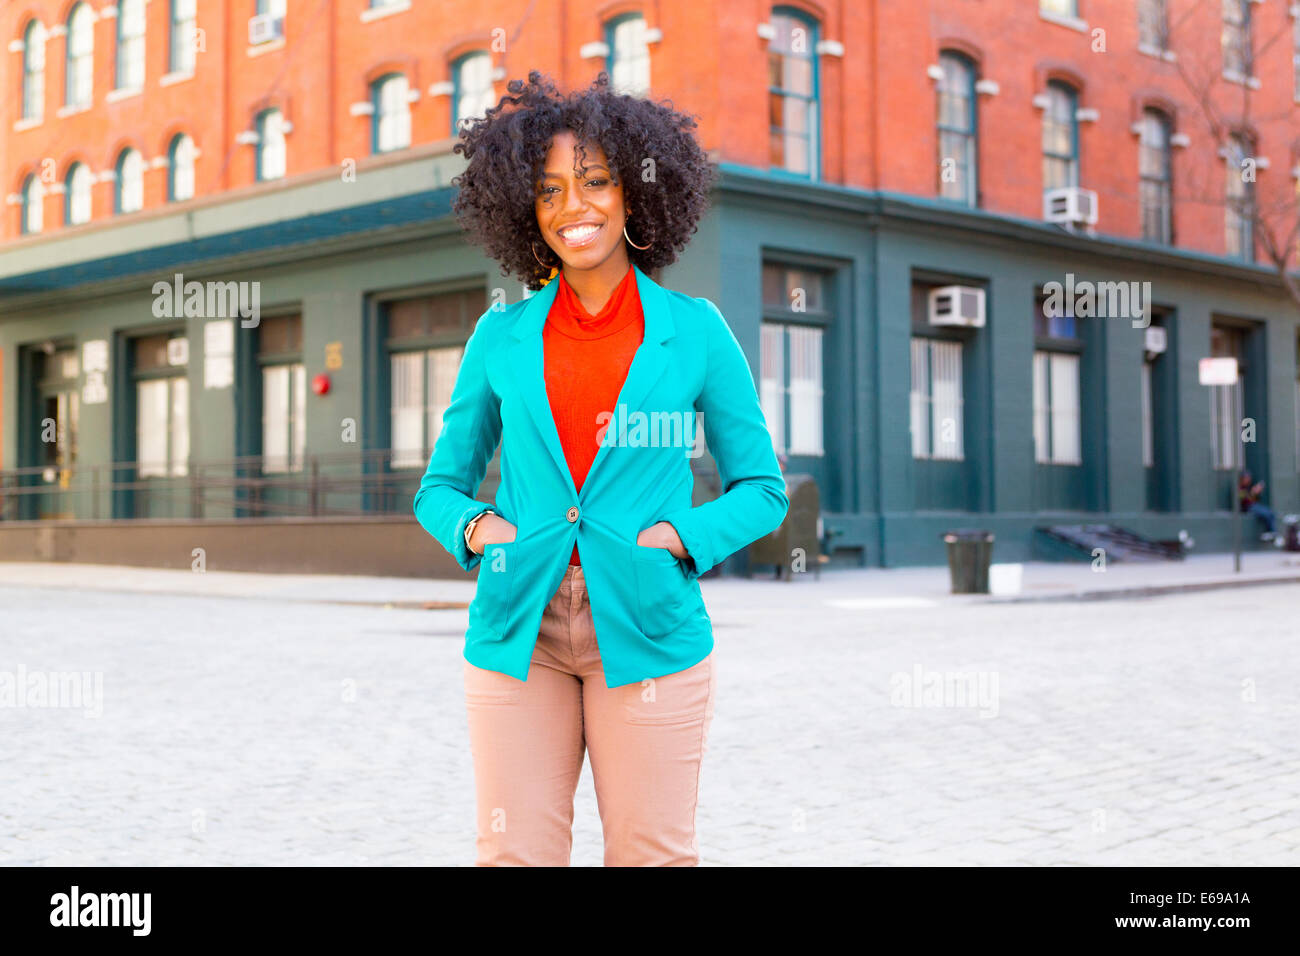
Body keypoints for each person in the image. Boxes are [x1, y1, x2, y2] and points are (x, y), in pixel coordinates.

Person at [413, 71, 788, 866]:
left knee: (651, 855)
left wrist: (680, 538)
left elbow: (762, 489)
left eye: (594, 182)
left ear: (634, 194)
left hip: (650, 630)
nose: (572, 207)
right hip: (521, 630)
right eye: (548, 192)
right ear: (525, 210)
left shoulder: (695, 331)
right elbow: (439, 488)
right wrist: (477, 528)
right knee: (512, 855)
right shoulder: (499, 338)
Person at [1238, 470, 1276, 539]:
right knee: (1265, 513)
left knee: (1270, 512)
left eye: (1249, 478)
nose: (1248, 480)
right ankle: (1270, 532)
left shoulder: (1248, 487)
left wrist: (1257, 492)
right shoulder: (1239, 488)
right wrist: (1253, 493)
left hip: (1253, 505)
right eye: (1246, 478)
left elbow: (1254, 499)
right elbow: (1244, 500)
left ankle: (1272, 532)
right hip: (1246, 508)